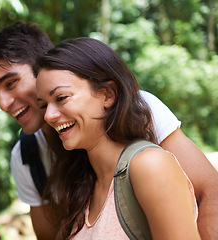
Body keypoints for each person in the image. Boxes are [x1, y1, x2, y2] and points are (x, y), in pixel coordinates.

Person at [0, 21, 218, 240]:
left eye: (10, 83)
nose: (3, 103)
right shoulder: (32, 158)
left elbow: (210, 193)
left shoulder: (140, 112)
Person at [34, 37, 200, 239]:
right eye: (44, 105)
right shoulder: (80, 184)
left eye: (61, 98)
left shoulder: (150, 166)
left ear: (107, 95)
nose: (48, 116)